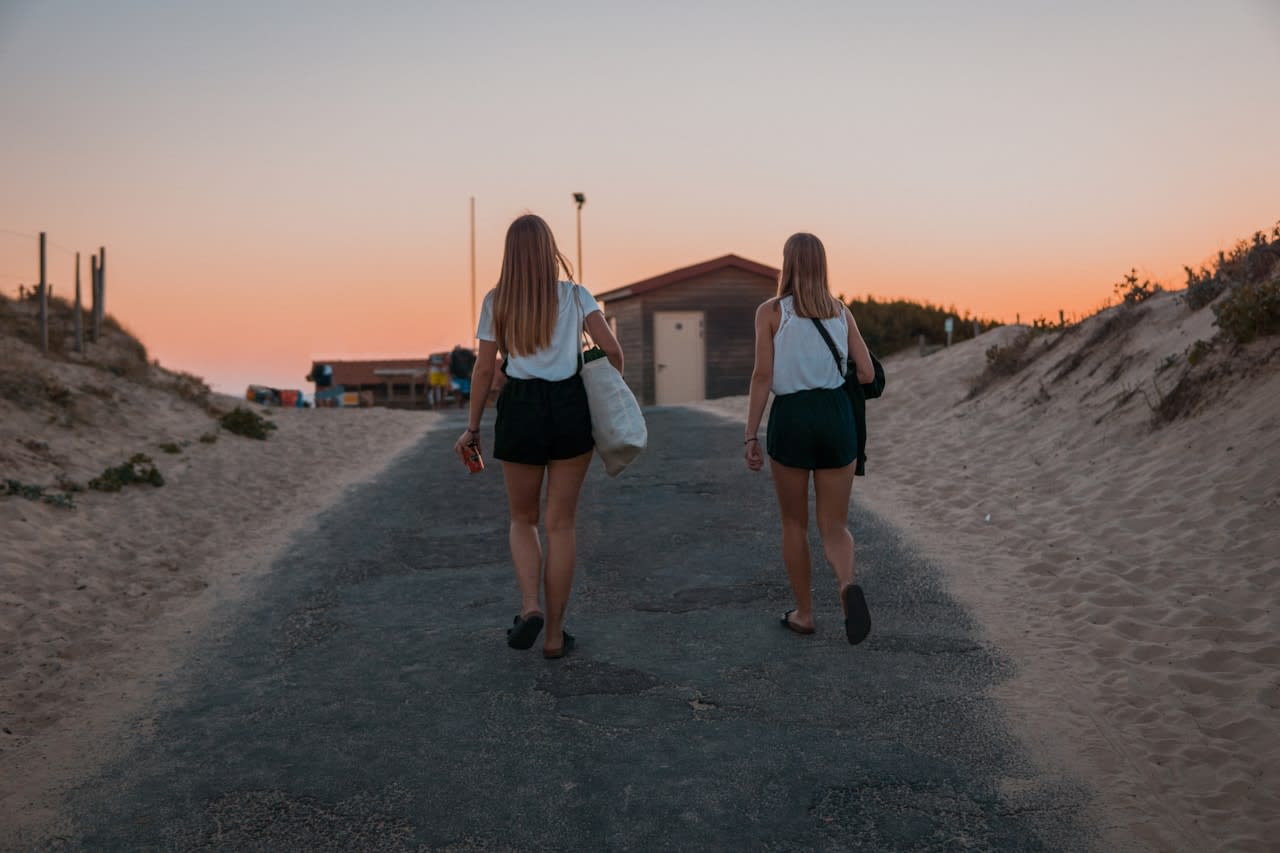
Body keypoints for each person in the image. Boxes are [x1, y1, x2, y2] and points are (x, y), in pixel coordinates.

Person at [454, 213, 623, 659]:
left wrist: (472, 427)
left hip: (521, 409)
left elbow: (485, 369)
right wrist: (607, 392)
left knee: (522, 519)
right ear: (550, 249)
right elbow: (613, 351)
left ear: (509, 254)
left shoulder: (497, 301)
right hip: (570, 407)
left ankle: (530, 608)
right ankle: (554, 637)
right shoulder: (576, 295)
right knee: (561, 525)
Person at [743, 233, 876, 644]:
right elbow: (867, 373)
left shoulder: (770, 313)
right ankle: (847, 584)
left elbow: (763, 376)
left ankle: (804, 613)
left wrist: (750, 434)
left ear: (787, 264)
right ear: (822, 265)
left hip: (793, 418)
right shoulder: (841, 313)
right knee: (834, 526)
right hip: (837, 417)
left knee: (794, 523)